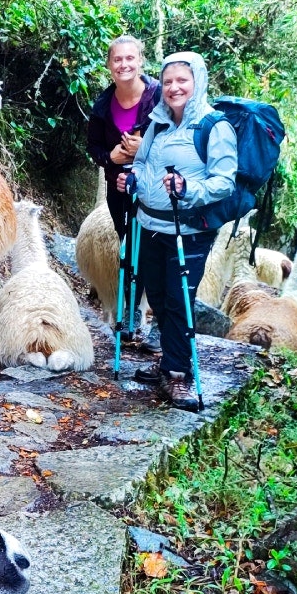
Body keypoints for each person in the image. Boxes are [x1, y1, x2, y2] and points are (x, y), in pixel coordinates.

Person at [117, 51, 236, 410]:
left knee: (179, 300)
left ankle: (179, 375)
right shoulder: (157, 123)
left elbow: (224, 182)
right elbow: (143, 162)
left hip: (188, 231)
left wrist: (188, 189)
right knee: (157, 296)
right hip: (150, 224)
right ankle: (167, 362)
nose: (174, 87)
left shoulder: (215, 127)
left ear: (197, 81)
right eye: (168, 81)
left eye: (182, 80)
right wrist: (134, 179)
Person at [86, 35, 162, 350]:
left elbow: (177, 139)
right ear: (109, 65)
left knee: (154, 250)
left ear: (140, 61)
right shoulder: (103, 105)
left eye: (130, 58)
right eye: (117, 60)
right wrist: (111, 158)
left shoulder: (159, 96)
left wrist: (145, 149)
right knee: (129, 248)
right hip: (119, 189)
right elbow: (94, 147)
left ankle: (153, 321)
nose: (124, 65)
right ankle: (130, 314)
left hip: (156, 189)